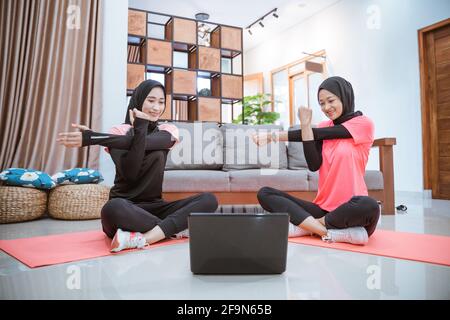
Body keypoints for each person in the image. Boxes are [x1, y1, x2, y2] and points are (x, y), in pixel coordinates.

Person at [57, 80, 218, 252]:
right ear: (138, 100)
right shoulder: (118, 131)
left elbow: (145, 142)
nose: (156, 107)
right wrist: (139, 127)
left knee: (209, 200)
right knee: (112, 208)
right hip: (126, 209)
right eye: (151, 100)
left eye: (161, 102)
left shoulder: (167, 130)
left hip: (155, 208)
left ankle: (145, 237)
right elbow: (131, 173)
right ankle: (173, 229)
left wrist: (93, 138)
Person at [252, 76, 380, 245]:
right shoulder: (322, 127)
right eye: (321, 103)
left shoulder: (363, 124)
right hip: (322, 208)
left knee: (370, 205)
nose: (326, 107)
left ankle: (306, 226)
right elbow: (313, 165)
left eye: (331, 100)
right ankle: (326, 232)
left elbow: (319, 135)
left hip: (352, 210)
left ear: (344, 96)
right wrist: (306, 127)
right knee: (265, 193)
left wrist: (271, 136)